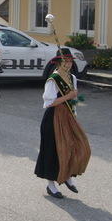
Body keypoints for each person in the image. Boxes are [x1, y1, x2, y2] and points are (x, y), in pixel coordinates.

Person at [34, 48, 91, 198]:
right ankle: (51, 185)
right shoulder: (53, 79)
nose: (68, 64)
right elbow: (49, 102)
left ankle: (67, 176)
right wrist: (69, 96)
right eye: (65, 61)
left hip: (69, 116)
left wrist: (74, 106)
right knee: (53, 150)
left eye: (70, 61)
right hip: (53, 117)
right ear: (59, 63)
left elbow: (73, 99)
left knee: (77, 144)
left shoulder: (72, 78)